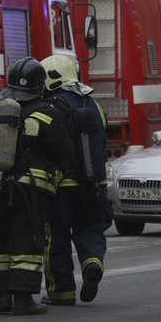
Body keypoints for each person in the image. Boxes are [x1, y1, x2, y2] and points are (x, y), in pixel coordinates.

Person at [0, 56, 73, 315]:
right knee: (26, 241)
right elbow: (63, 152)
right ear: (40, 86)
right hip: (31, 191)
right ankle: (25, 300)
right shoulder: (48, 114)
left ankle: (4, 298)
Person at [38, 55, 111, 306]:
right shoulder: (94, 105)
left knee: (56, 236)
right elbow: (102, 143)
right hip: (94, 184)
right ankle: (92, 262)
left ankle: (62, 292)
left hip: (62, 186)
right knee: (90, 228)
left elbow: (48, 145)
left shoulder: (52, 106)